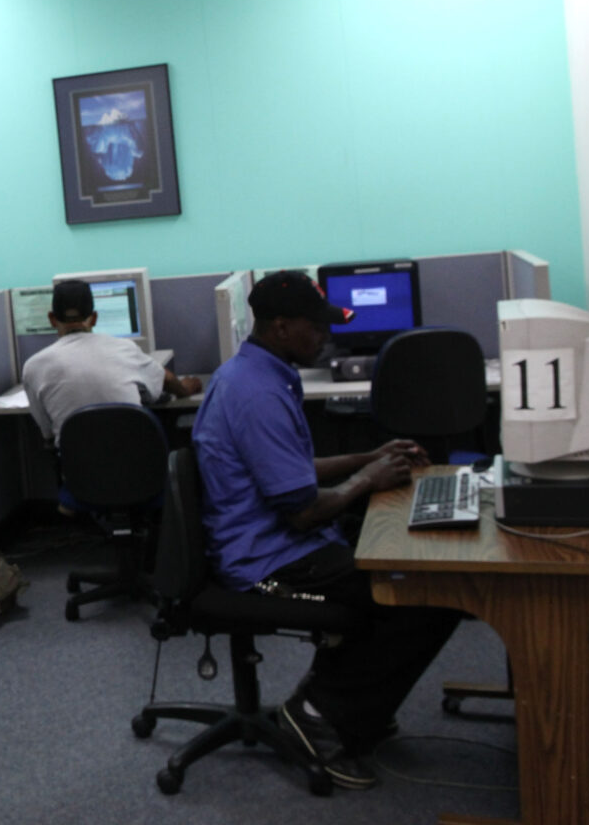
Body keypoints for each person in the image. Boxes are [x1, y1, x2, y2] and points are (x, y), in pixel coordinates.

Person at [191, 269, 461, 790]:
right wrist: (368, 478)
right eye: (316, 327)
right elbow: (302, 511)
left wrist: (371, 455)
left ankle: (346, 707)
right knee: (421, 595)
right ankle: (318, 715)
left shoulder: (262, 373)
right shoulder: (256, 393)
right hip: (267, 561)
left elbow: (291, 472)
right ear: (282, 326)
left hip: (283, 542)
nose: (326, 336)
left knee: (417, 578)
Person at [22, 278, 201, 446]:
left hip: (80, 474)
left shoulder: (33, 367)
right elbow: (167, 379)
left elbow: (48, 433)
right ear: (94, 318)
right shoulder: (124, 349)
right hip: (138, 471)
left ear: (52, 319)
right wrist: (185, 388)